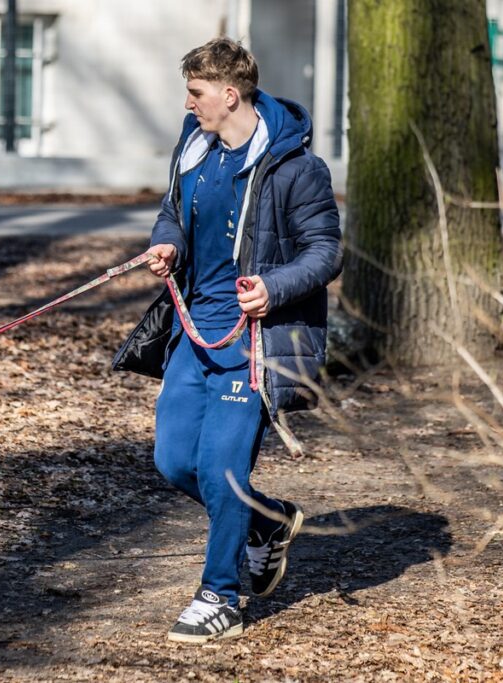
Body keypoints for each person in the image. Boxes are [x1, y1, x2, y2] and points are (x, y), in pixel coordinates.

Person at [123, 38, 342, 642]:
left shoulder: (297, 167)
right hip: (194, 333)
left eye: (196, 93)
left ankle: (220, 596)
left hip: (256, 341)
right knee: (173, 463)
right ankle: (267, 526)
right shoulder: (194, 148)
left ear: (229, 94)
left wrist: (273, 288)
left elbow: (325, 251)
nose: (189, 104)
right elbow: (174, 210)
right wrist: (168, 242)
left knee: (223, 471)